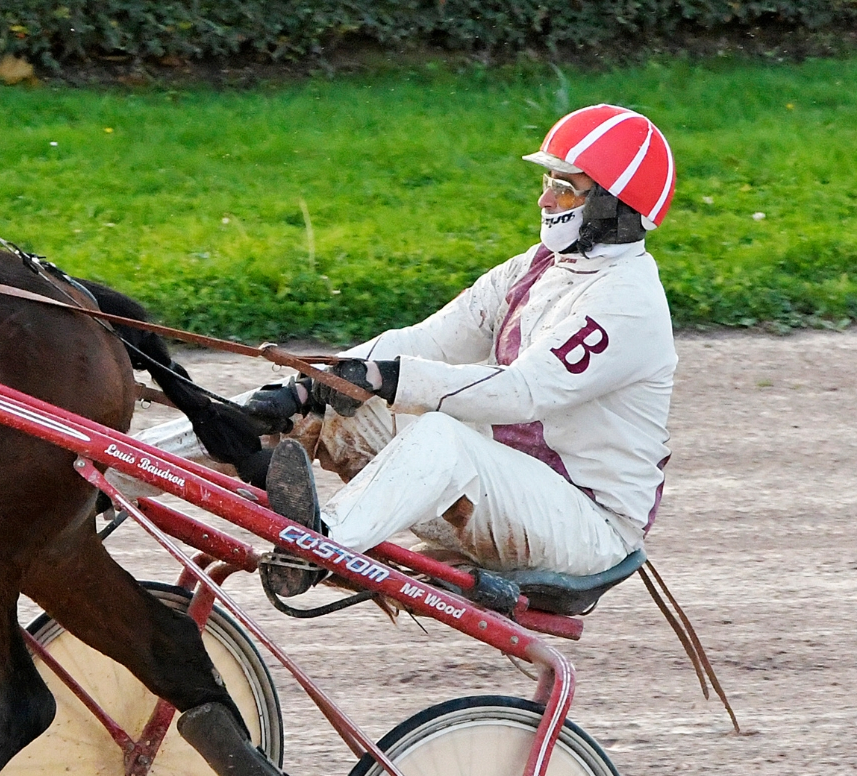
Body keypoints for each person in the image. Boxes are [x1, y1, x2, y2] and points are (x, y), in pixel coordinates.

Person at [236, 104, 679, 598]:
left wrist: (387, 378)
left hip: (586, 529)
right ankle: (169, 458)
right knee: (335, 406)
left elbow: (521, 392)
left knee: (440, 437)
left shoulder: (627, 301)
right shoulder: (538, 267)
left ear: (609, 204)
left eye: (563, 186)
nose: (544, 198)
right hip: (512, 496)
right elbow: (429, 339)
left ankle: (321, 543)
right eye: (548, 182)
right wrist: (309, 383)